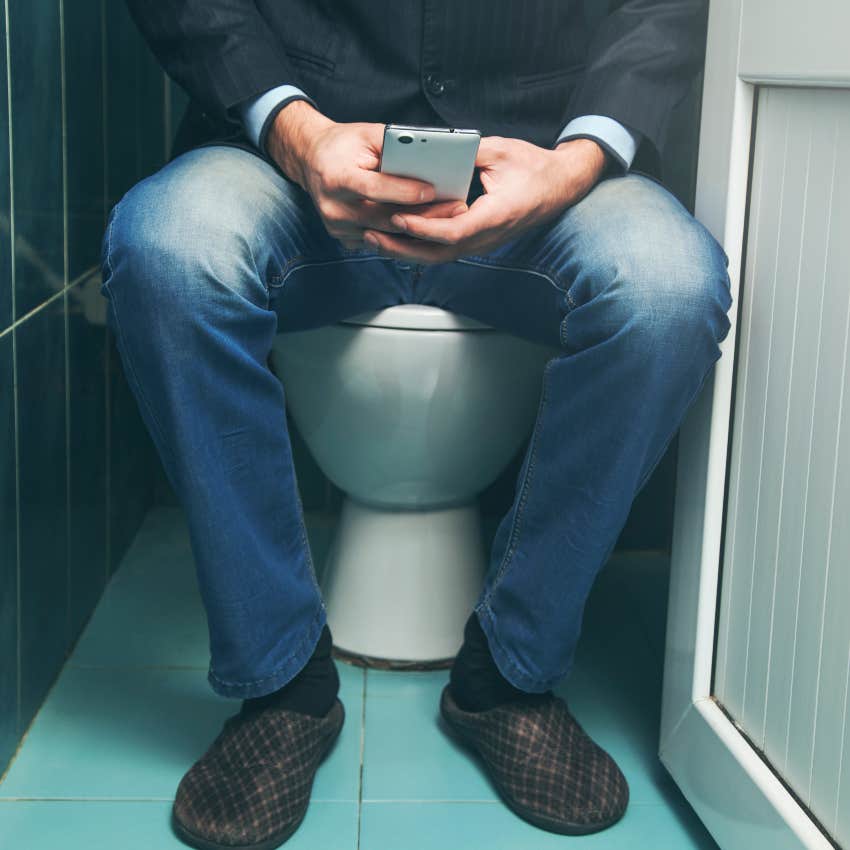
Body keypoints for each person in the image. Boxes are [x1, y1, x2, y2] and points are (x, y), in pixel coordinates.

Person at [101, 2, 732, 847]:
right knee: (166, 251)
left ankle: (506, 675)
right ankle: (282, 683)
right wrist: (294, 129)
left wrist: (580, 159)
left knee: (667, 291)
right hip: (293, 160)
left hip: (540, 169)